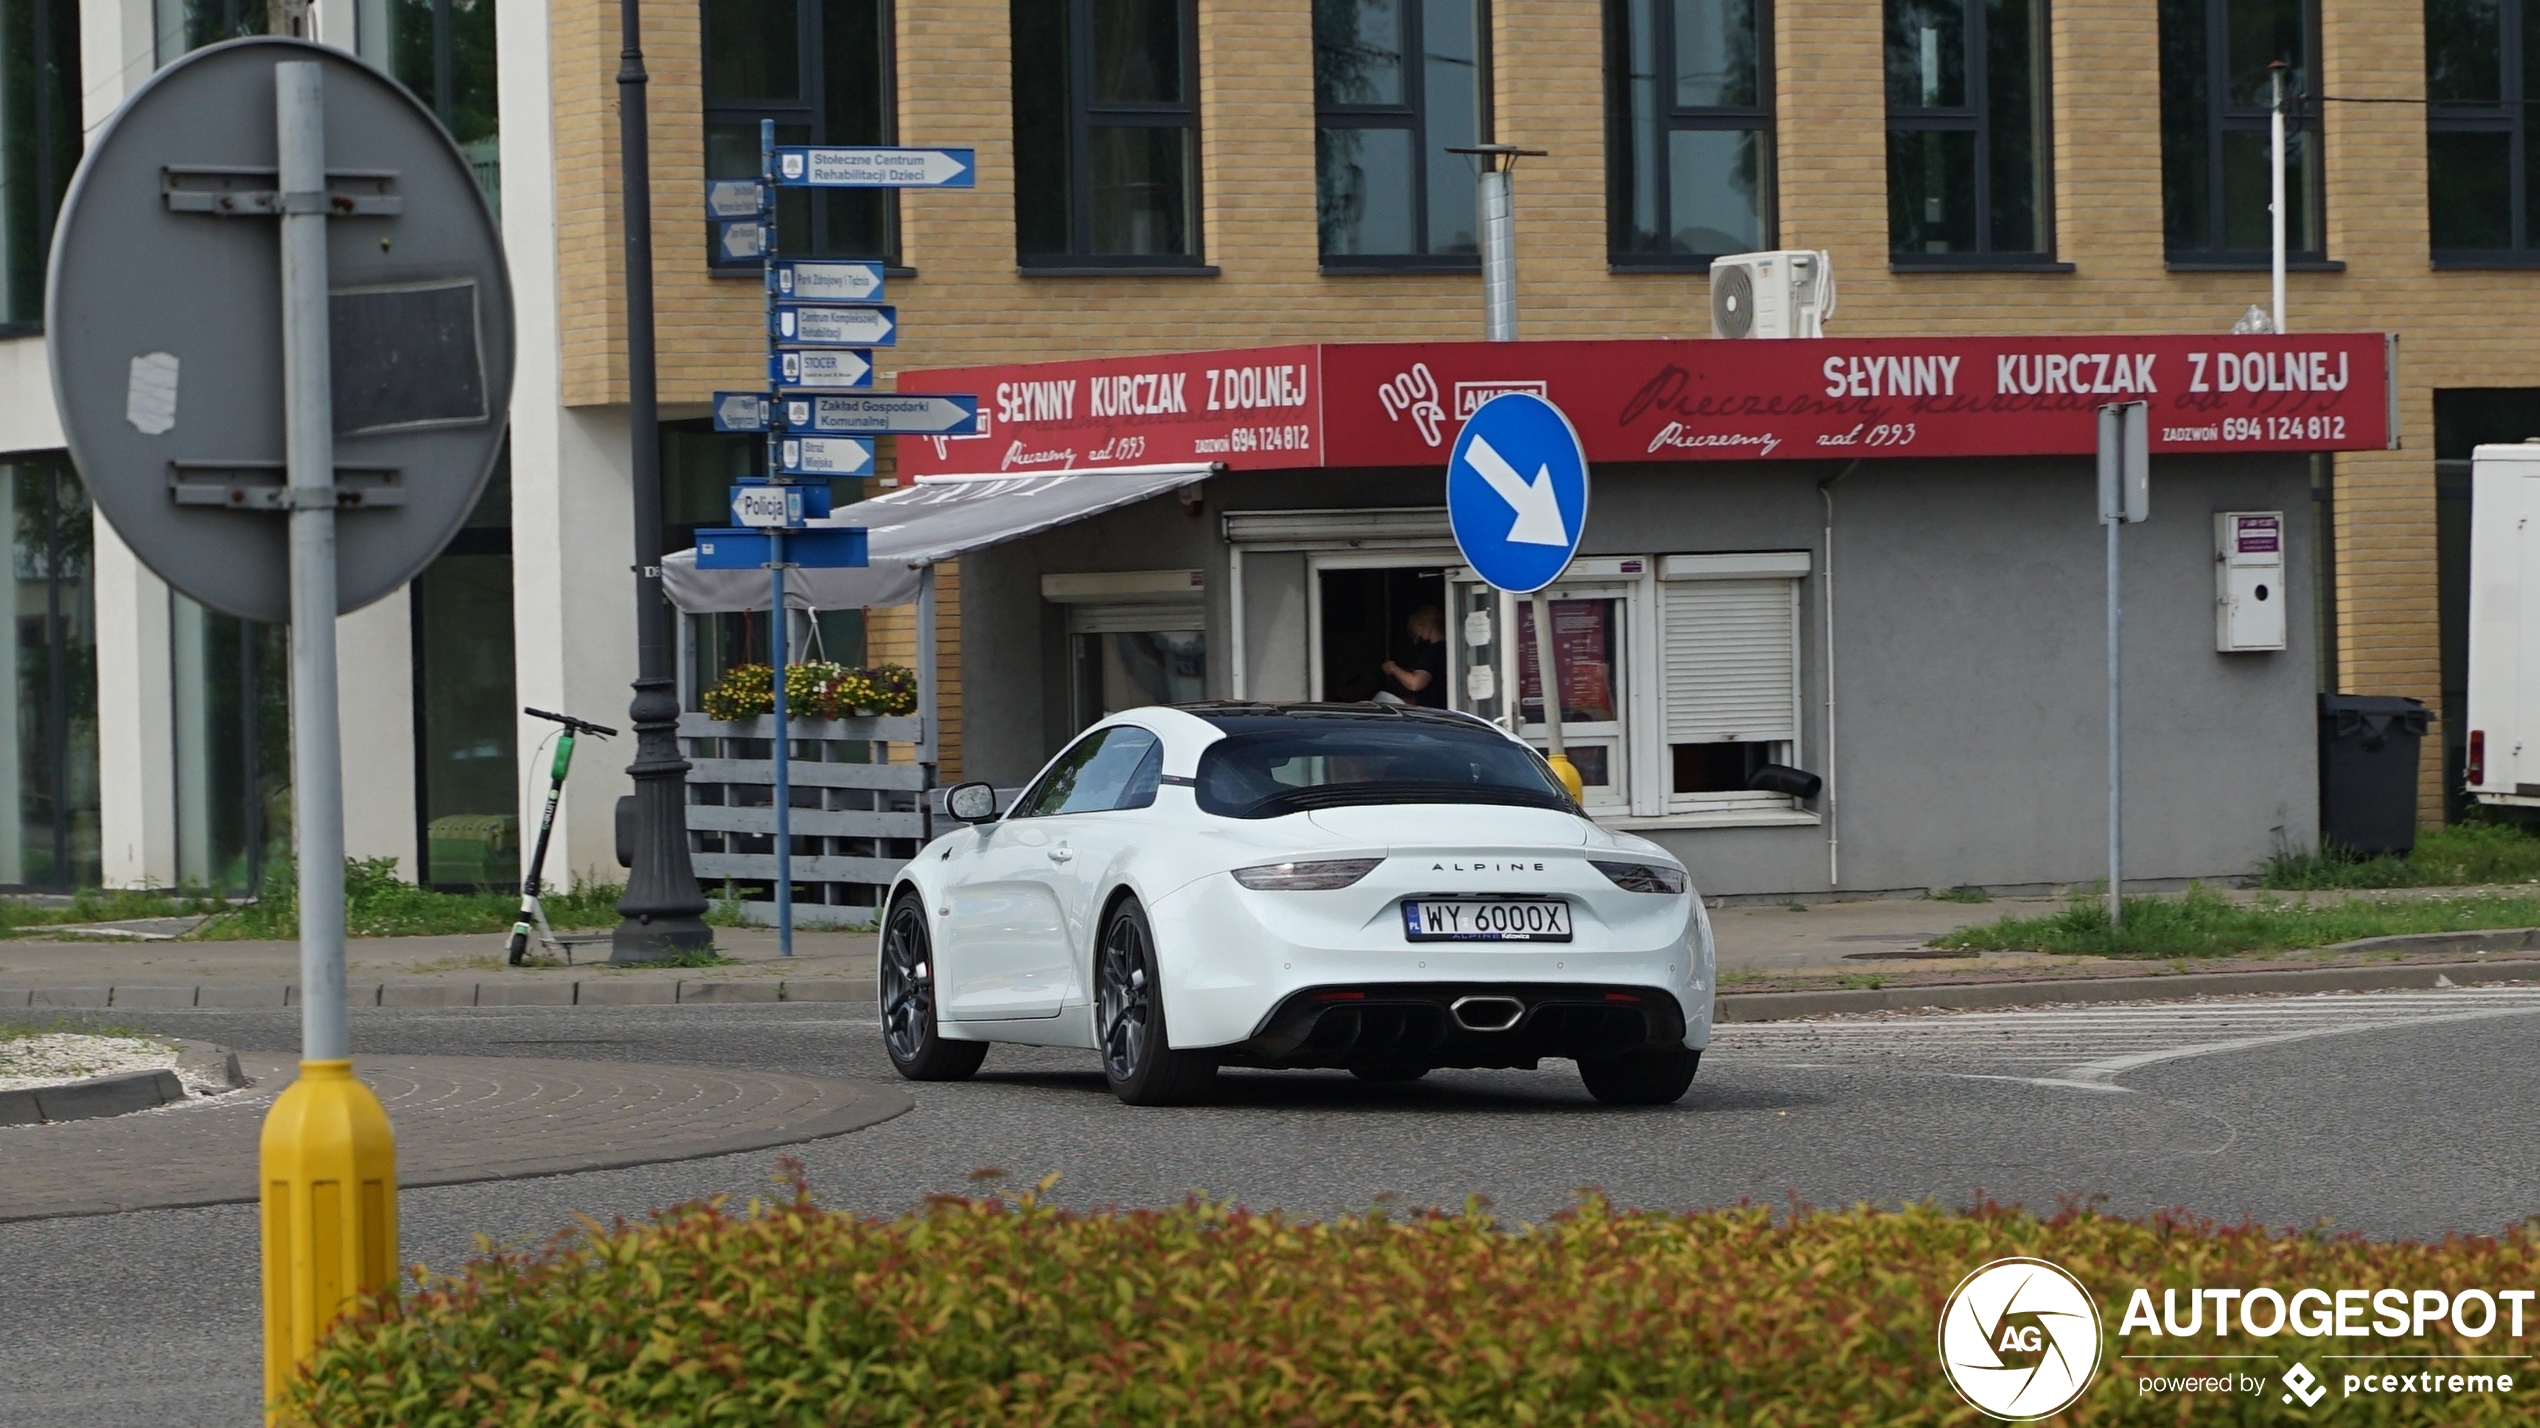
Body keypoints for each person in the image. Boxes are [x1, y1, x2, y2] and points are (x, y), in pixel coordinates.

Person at [1378, 606, 1449, 709]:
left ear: (1427, 625)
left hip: (1433, 715)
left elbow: (1415, 683)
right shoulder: (1447, 650)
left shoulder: (1433, 651)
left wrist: (1393, 668)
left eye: (1416, 630)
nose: (1416, 639)